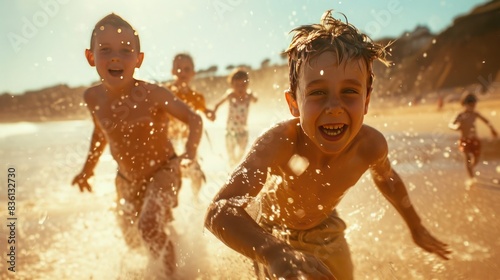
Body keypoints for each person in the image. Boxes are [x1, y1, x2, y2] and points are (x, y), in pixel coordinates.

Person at [204, 10, 451, 280]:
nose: (334, 107)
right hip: (273, 233)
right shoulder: (280, 142)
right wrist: (273, 252)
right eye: (318, 92)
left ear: (367, 100)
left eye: (349, 91)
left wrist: (415, 226)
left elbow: (387, 178)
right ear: (294, 104)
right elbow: (219, 210)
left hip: (327, 232)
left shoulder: (370, 146)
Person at [71, 14, 203, 278]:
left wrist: (188, 155)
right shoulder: (93, 97)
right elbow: (100, 134)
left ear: (139, 59)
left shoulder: (153, 93)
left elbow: (193, 118)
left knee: (149, 225)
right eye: (105, 50)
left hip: (164, 171)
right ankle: (170, 249)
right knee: (134, 240)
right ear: (90, 57)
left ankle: (170, 276)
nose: (116, 57)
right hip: (126, 180)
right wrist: (87, 170)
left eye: (126, 50)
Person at [165, 53, 215, 200]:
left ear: (193, 73)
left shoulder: (196, 96)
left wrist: (209, 113)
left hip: (189, 141)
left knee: (195, 172)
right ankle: (171, 200)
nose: (182, 72)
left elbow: (204, 111)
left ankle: (195, 197)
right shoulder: (166, 92)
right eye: (178, 68)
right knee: (171, 171)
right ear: (172, 72)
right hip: (170, 139)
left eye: (187, 69)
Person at [212, 68, 258, 167]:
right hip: (230, 131)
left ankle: (239, 168)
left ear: (248, 85)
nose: (240, 88)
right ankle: (231, 170)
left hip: (243, 131)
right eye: (237, 85)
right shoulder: (230, 95)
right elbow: (217, 104)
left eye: (243, 85)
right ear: (232, 86)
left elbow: (256, 99)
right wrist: (213, 113)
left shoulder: (248, 96)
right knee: (231, 155)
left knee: (242, 154)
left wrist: (253, 96)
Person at [449, 92, 497, 179]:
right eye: (470, 105)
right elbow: (450, 124)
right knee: (467, 157)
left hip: (474, 140)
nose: (472, 107)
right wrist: (456, 127)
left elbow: (486, 121)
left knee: (477, 159)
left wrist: (492, 129)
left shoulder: (475, 114)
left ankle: (470, 168)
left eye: (474, 105)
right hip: (464, 140)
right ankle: (471, 177)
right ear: (464, 104)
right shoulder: (460, 115)